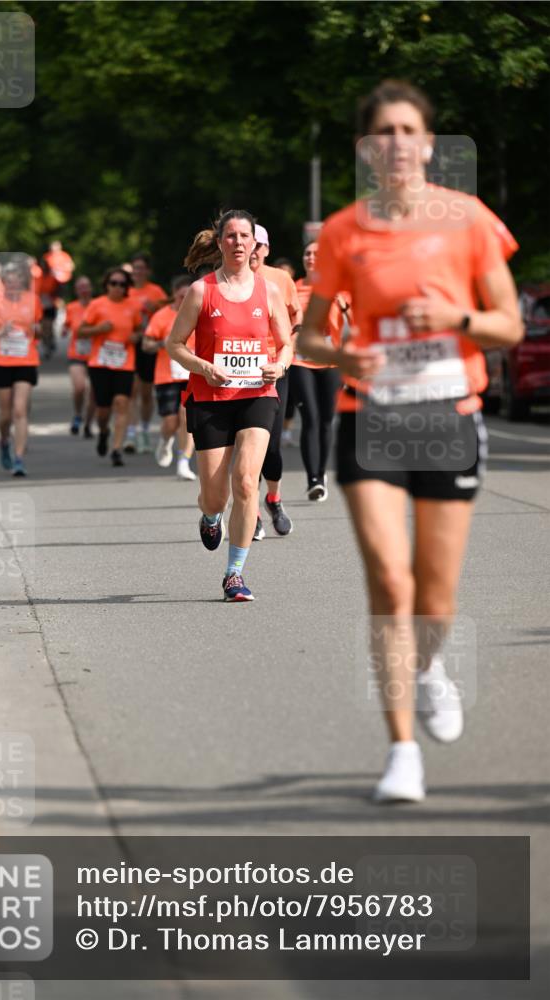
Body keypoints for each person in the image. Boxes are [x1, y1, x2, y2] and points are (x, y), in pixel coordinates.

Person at [298, 79, 522, 802]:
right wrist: (341, 357)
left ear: (427, 143)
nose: (396, 142)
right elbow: (308, 336)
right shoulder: (342, 232)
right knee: (388, 583)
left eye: (407, 130)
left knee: (434, 593)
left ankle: (428, 670)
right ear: (366, 148)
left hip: (447, 415)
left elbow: (508, 325)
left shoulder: (466, 220)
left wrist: (454, 317)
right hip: (372, 417)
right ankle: (401, 752)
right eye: (382, 132)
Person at [166, 210, 293, 602]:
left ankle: (234, 573)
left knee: (245, 481)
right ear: (219, 242)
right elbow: (174, 344)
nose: (239, 242)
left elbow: (287, 344)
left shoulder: (268, 291)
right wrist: (203, 366)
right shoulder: (202, 292)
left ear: (256, 244)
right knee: (215, 495)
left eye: (245, 236)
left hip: (257, 394)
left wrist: (280, 364)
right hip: (211, 398)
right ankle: (208, 516)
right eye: (231, 236)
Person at [248, 224, 302, 538]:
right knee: (247, 444)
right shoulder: (229, 280)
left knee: (272, 445)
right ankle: (251, 511)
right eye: (248, 243)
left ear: (266, 249)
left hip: (275, 369)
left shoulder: (280, 279)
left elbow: (297, 314)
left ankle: (274, 499)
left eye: (258, 245)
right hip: (240, 372)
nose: (252, 251)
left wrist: (288, 343)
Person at [291, 240, 345, 500]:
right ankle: (313, 478)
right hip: (300, 360)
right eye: (307, 253)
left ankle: (321, 472)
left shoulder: (340, 287)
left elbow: (356, 326)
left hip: (332, 360)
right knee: (310, 416)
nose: (311, 257)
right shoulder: (294, 288)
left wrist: (343, 306)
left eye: (316, 253)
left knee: (326, 419)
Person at [79, 267, 143, 467]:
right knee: (103, 410)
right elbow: (80, 331)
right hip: (101, 363)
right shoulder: (97, 305)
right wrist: (99, 329)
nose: (117, 287)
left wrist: (136, 336)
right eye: (113, 283)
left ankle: (116, 449)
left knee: (122, 403)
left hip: (124, 363)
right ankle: (104, 431)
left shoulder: (132, 306)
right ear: (107, 284)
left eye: (122, 284)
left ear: (127, 287)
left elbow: (140, 329)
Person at [0, 261, 42, 477]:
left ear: (22, 282)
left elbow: (39, 329)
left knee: (20, 410)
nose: (12, 284)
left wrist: (34, 329)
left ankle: (19, 458)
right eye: (8, 281)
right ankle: (3, 440)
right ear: (3, 283)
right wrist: (1, 330)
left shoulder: (33, 300)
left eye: (16, 280)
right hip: (1, 362)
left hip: (26, 360)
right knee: (6, 415)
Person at [143, 275, 197, 481]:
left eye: (188, 296)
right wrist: (161, 344)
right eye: (181, 295)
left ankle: (183, 461)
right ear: (174, 294)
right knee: (170, 422)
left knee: (186, 416)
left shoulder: (199, 314)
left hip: (191, 374)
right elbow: (146, 344)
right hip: (166, 375)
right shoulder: (162, 316)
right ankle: (165, 440)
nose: (185, 299)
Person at [125, 252, 168, 454]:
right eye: (135, 268)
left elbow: (167, 312)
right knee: (131, 390)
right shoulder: (125, 291)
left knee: (146, 392)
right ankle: (131, 433)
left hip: (149, 345)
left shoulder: (156, 292)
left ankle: (143, 429)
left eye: (141, 268)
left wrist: (155, 307)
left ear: (147, 271)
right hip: (130, 346)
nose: (138, 272)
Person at [62, 275, 96, 437]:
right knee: (80, 387)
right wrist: (64, 330)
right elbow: (67, 325)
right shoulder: (72, 307)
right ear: (76, 291)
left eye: (86, 286)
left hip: (96, 355)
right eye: (80, 287)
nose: (84, 290)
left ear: (91, 289)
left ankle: (88, 423)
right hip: (77, 353)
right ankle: (77, 415)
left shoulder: (98, 306)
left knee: (94, 392)